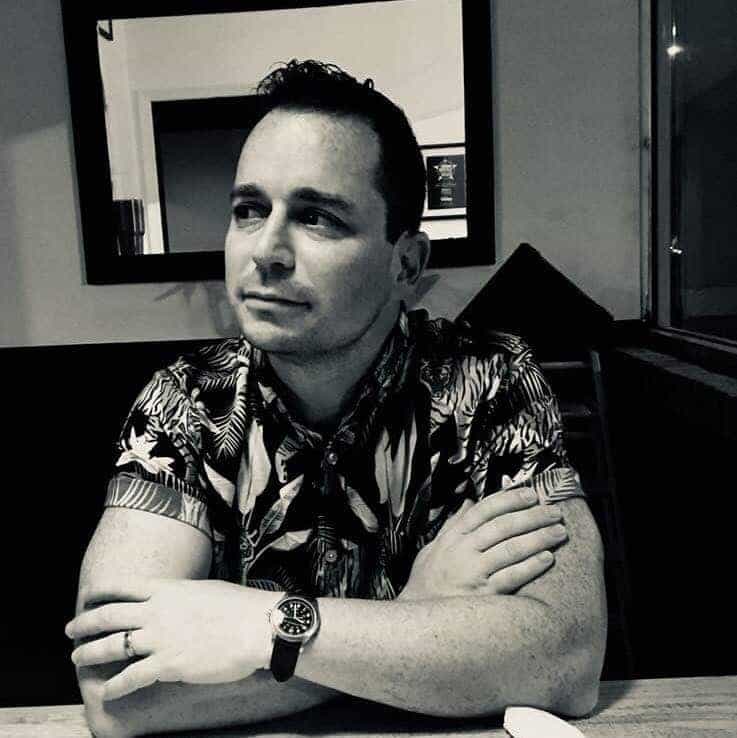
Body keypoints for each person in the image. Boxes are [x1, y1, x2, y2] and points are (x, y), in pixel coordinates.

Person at [66, 60, 606, 738]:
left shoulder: (490, 382)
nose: (266, 251)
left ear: (406, 263)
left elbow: (564, 659)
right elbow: (115, 693)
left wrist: (268, 631)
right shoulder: (186, 402)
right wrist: (415, 617)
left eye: (317, 217)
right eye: (248, 210)